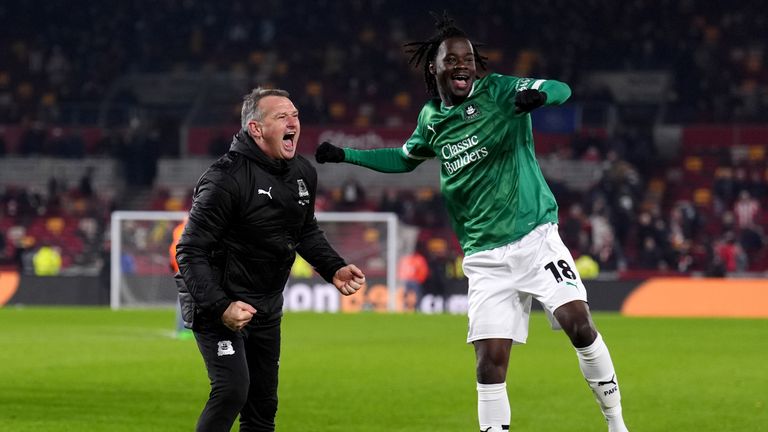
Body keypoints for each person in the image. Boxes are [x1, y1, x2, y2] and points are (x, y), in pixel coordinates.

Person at [315, 13, 629, 432]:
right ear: (435, 67)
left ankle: (616, 423)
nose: (462, 65)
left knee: (579, 324)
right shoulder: (432, 120)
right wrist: (346, 155)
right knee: (489, 365)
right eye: (452, 59)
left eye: (468, 59)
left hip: (536, 239)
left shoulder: (499, 90)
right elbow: (404, 159)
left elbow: (559, 88)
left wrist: (541, 99)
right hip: (483, 258)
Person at [176, 87, 366, 432]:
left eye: (295, 115)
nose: (293, 122)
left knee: (263, 407)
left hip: (265, 304)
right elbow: (190, 251)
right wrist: (222, 306)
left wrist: (333, 267)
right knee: (232, 391)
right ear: (256, 129)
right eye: (281, 116)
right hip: (220, 301)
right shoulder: (226, 178)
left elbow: (304, 230)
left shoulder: (303, 174)